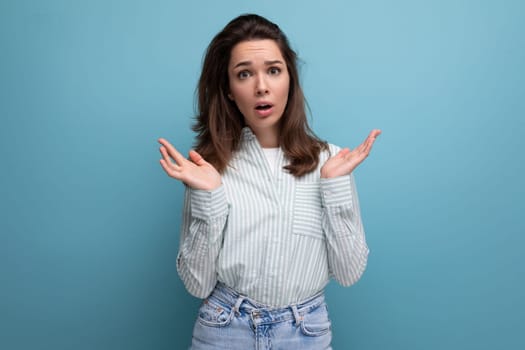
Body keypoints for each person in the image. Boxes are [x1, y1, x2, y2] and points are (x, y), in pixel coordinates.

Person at [158, 13, 381, 350]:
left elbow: (349, 273)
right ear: (229, 90)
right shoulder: (208, 169)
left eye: (273, 71)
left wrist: (334, 188)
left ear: (289, 79)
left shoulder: (330, 162)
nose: (261, 86)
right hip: (224, 329)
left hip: (305, 332)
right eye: (244, 74)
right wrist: (210, 197)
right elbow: (197, 285)